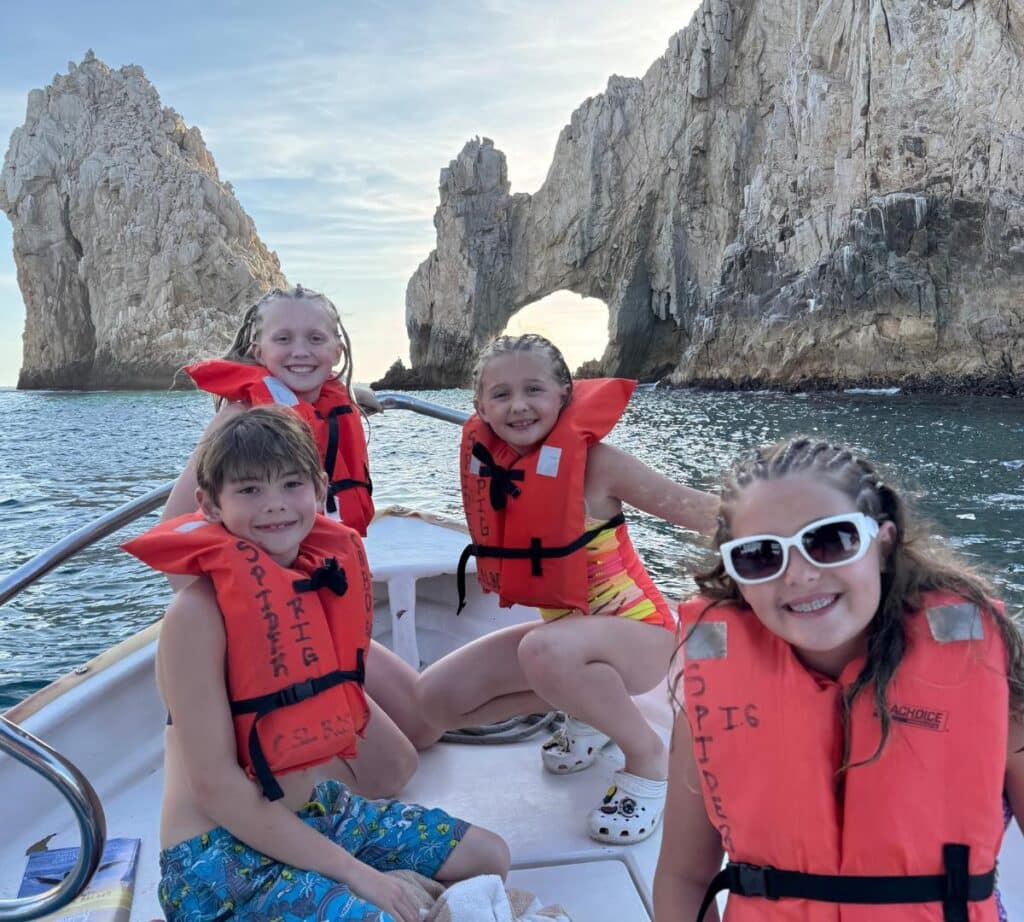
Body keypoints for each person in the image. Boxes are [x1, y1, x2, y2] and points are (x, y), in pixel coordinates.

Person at [124, 408, 509, 922]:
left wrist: (348, 863)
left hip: (317, 813)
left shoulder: (313, 583)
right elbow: (215, 789)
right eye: (249, 490)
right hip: (219, 860)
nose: (276, 506)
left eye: (291, 484)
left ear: (319, 488)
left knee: (489, 857)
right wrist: (356, 872)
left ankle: (341, 884)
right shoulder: (197, 616)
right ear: (209, 505)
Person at [653, 436, 1024, 921]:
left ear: (883, 543)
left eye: (830, 540)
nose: (800, 575)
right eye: (762, 556)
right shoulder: (708, 699)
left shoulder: (994, 688)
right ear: (736, 574)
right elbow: (684, 878)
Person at [416, 333, 718, 844]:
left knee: (543, 649)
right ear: (480, 408)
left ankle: (645, 757)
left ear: (564, 394)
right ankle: (591, 710)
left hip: (641, 636)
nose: (518, 406)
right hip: (567, 648)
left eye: (533, 389)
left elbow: (698, 513)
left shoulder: (598, 464)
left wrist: (799, 518)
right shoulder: (494, 467)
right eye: (501, 394)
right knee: (434, 701)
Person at [165, 286, 442, 798]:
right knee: (395, 770)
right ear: (257, 349)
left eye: (316, 338)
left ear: (337, 350)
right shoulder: (240, 421)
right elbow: (176, 535)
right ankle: (277, 791)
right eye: (284, 338)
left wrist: (351, 394)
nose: (300, 351)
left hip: (320, 603)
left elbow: (308, 398)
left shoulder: (326, 402)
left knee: (425, 722)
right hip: (264, 626)